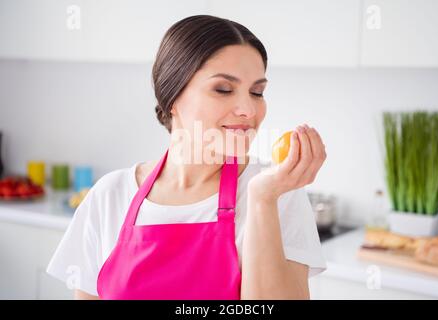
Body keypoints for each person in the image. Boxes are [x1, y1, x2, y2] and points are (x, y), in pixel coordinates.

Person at [46, 14, 327, 300]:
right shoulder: (109, 196)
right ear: (173, 97)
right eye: (223, 89)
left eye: (257, 92)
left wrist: (262, 200)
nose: (249, 110)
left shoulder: (277, 194)